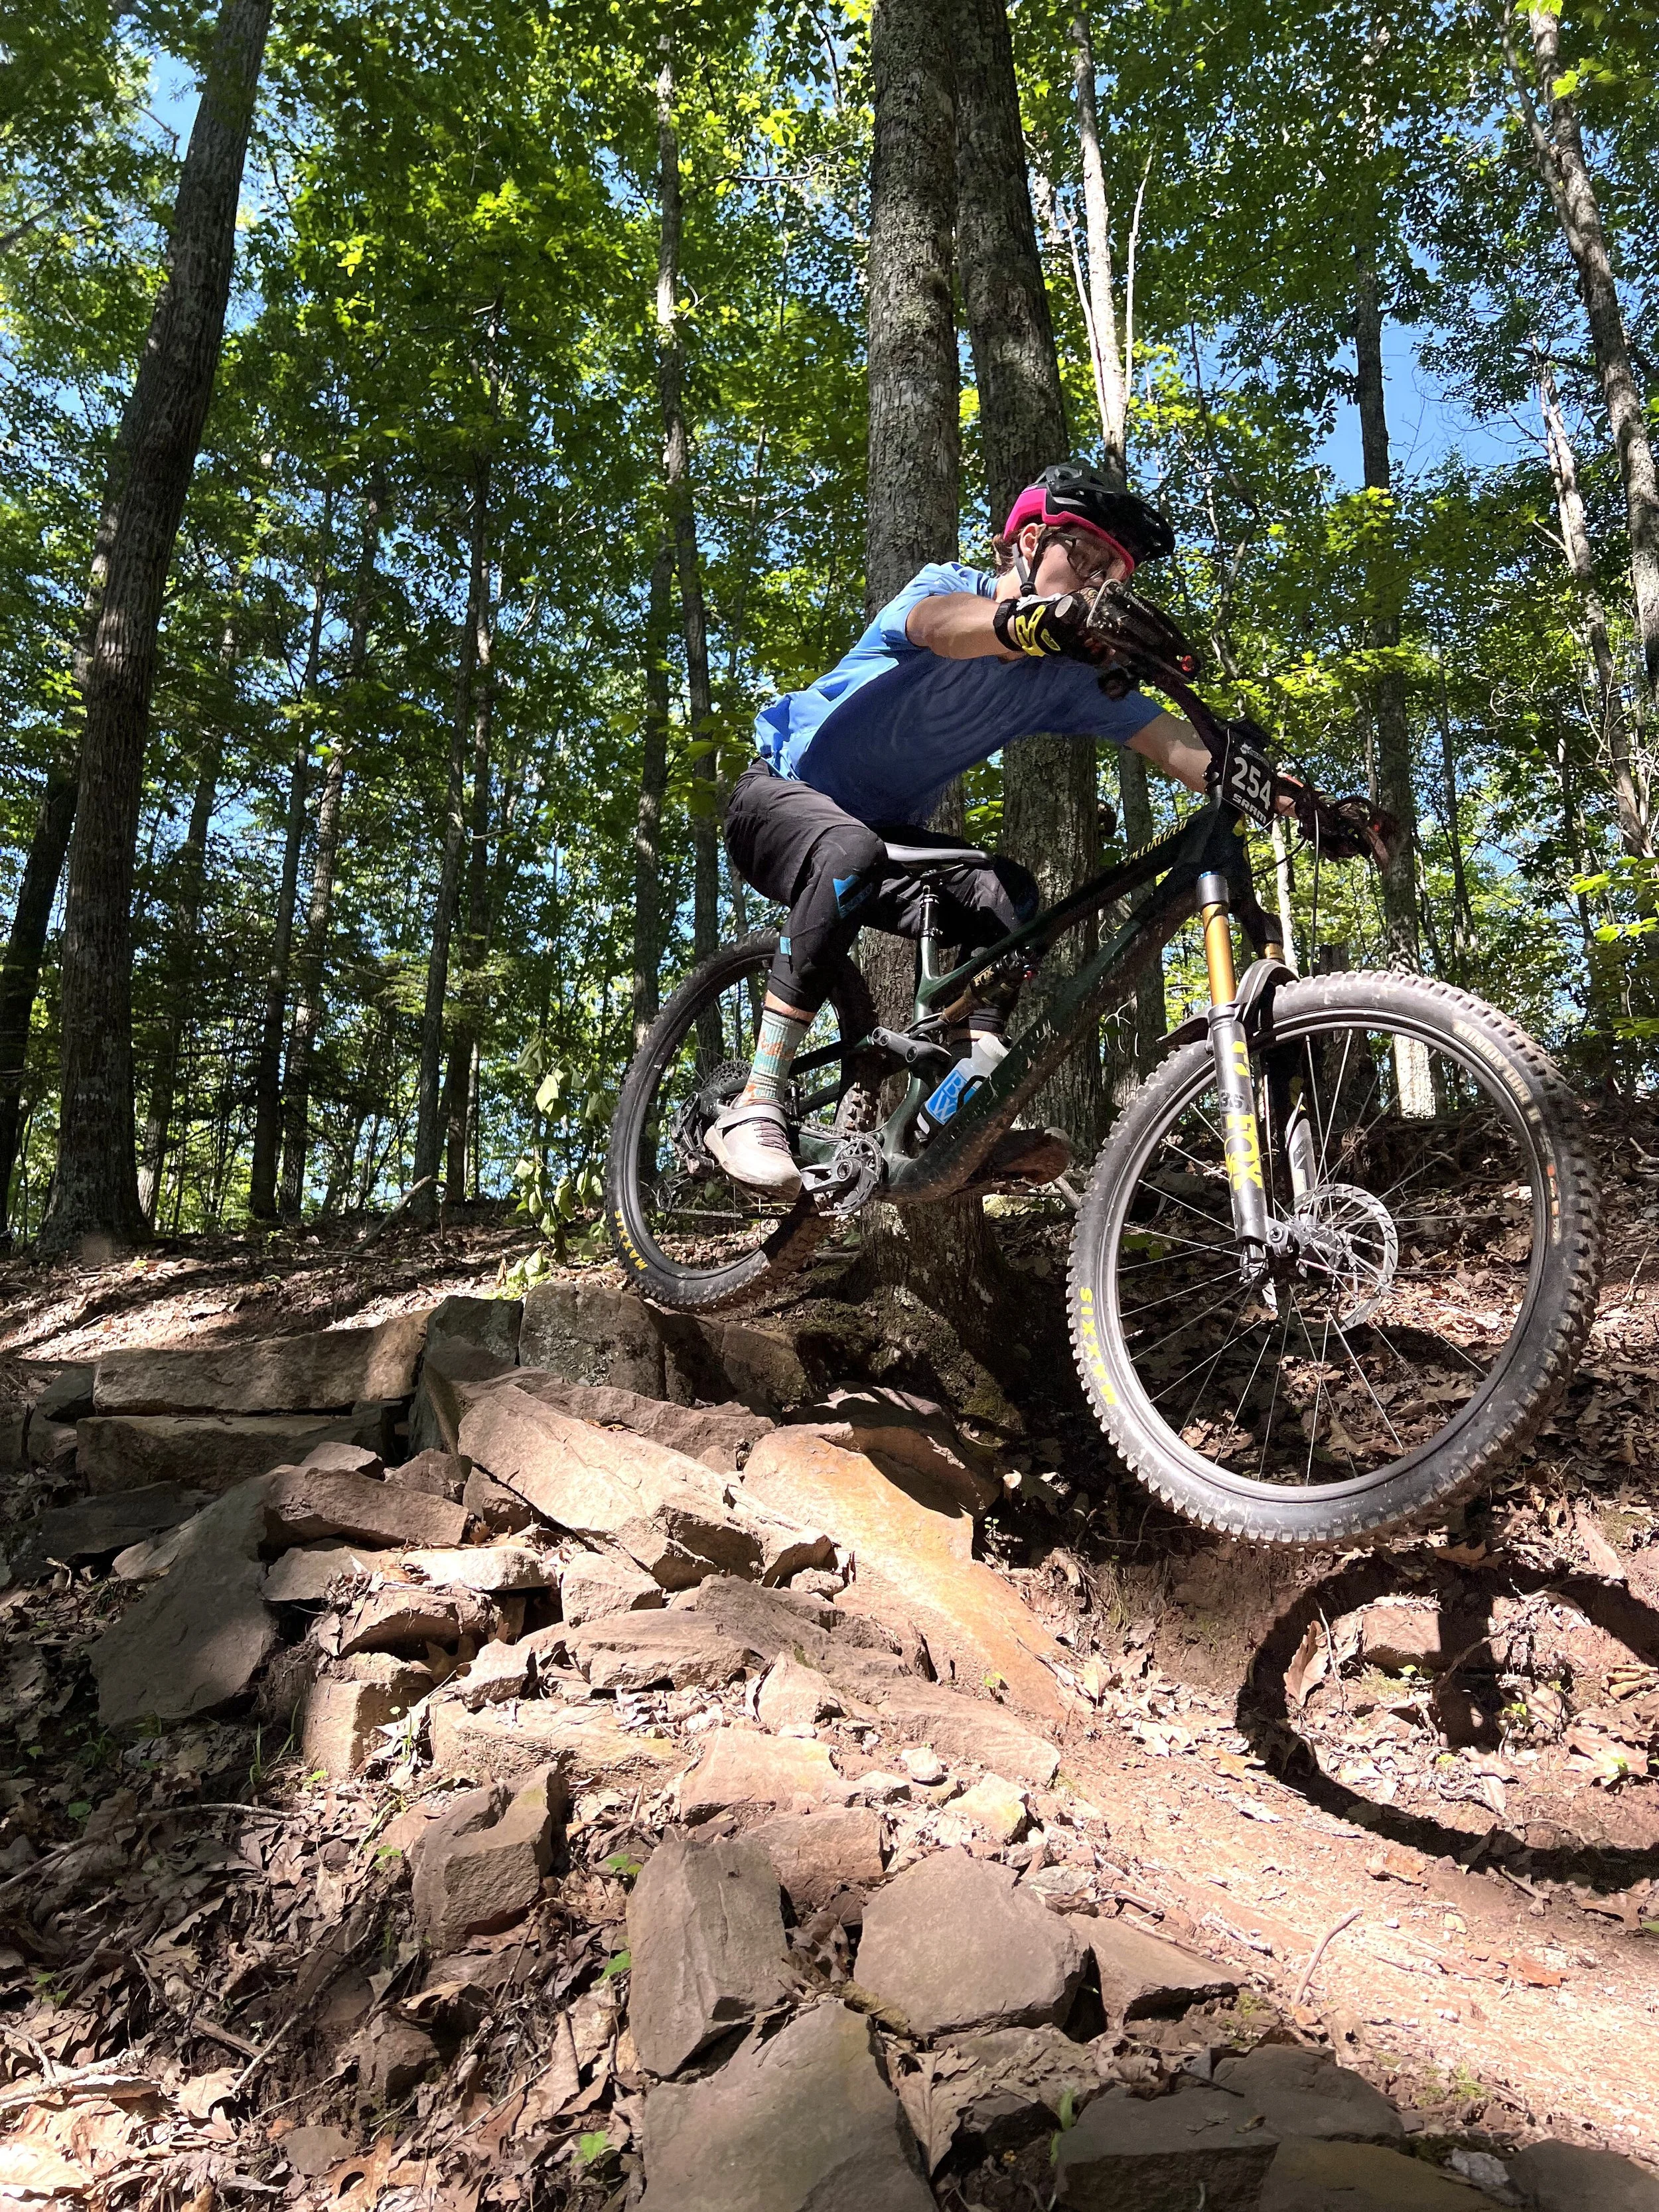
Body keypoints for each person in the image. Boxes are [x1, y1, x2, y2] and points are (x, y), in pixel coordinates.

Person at [710, 461, 1219, 1197]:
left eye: (1112, 572)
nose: (1097, 582)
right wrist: (1024, 625)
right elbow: (940, 629)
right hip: (776, 798)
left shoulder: (1065, 680)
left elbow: (1178, 747)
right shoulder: (946, 587)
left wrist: (1291, 796)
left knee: (1006, 897)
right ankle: (756, 1101)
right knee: (851, 849)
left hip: (884, 840)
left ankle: (953, 1108)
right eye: (1084, 556)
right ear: (1030, 542)